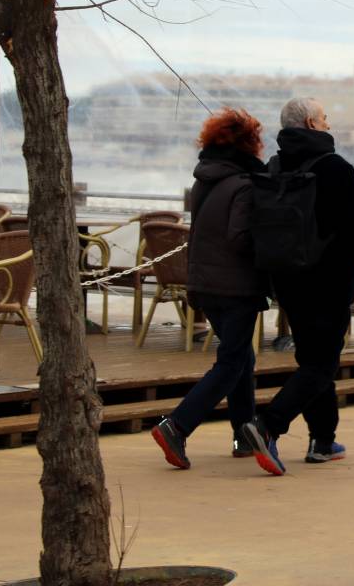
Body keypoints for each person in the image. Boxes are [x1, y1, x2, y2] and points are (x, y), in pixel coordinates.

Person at [240, 97, 354, 476]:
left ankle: (323, 440)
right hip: (329, 281)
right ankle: (268, 424)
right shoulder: (334, 168)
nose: (329, 123)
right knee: (321, 363)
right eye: (324, 118)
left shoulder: (274, 166)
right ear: (311, 124)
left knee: (313, 359)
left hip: (287, 279)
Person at [152, 107, 270, 469]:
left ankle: (242, 434)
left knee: (241, 357)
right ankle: (177, 425)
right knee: (232, 362)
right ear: (250, 144)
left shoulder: (205, 180)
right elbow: (239, 237)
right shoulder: (246, 184)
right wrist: (268, 247)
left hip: (204, 282)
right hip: (236, 285)